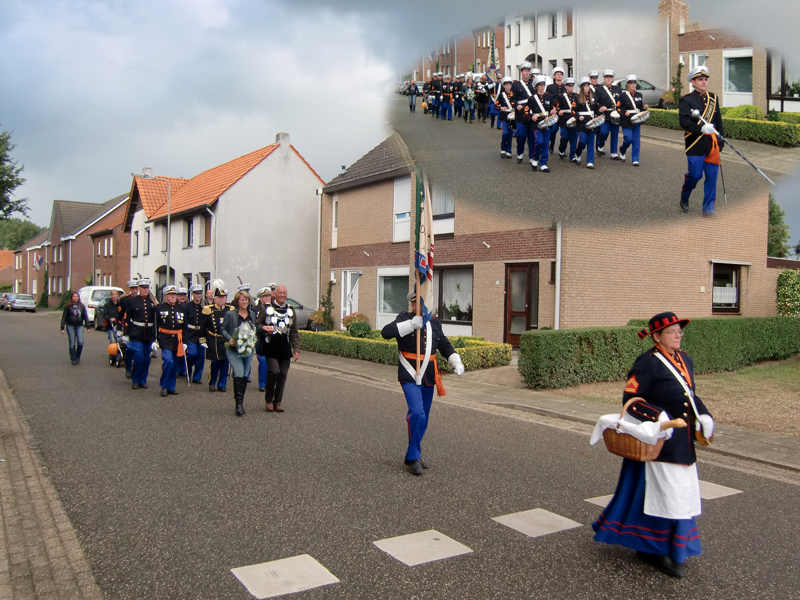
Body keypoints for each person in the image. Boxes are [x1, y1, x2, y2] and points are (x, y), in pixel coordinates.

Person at [592, 312, 714, 579]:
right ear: (657, 337)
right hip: (660, 441)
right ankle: (657, 549)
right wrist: (658, 416)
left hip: (683, 442)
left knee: (680, 494)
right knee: (667, 495)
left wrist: (704, 414)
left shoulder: (686, 360)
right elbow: (631, 399)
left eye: (680, 331)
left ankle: (663, 546)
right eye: (672, 332)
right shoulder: (647, 363)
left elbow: (689, 395)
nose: (679, 335)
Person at [381, 291, 465, 476]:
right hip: (409, 374)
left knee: (423, 418)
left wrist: (455, 360)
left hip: (428, 376)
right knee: (417, 413)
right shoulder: (404, 318)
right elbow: (385, 333)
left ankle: (413, 454)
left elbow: (443, 344)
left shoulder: (434, 323)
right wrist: (410, 325)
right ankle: (413, 457)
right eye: (413, 303)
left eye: (419, 303)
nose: (415, 307)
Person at [679, 65, 725, 214]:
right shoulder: (686, 100)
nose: (704, 82)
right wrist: (701, 129)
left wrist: (721, 139)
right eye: (700, 80)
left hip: (712, 146)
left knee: (712, 178)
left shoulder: (713, 98)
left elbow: (718, 120)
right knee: (695, 175)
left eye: (705, 79)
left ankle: (708, 208)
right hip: (695, 144)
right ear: (693, 82)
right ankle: (685, 196)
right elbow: (684, 122)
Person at [256, 285, 300, 413]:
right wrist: (264, 328)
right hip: (270, 346)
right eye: (280, 293)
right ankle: (269, 399)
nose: (282, 295)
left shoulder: (291, 310)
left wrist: (296, 349)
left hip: (284, 347)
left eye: (284, 293)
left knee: (283, 374)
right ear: (275, 295)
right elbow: (258, 324)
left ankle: (277, 402)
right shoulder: (266, 308)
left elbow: (294, 331)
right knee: (274, 371)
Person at [222, 290, 258, 416]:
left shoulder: (252, 314)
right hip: (233, 349)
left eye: (246, 299)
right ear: (237, 301)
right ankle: (238, 404)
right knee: (238, 372)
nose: (244, 302)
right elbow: (222, 329)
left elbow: (254, 329)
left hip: (247, 349)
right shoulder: (230, 314)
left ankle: (241, 401)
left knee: (244, 375)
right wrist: (230, 339)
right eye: (242, 300)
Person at [153, 284, 186, 397]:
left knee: (175, 364)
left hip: (178, 339)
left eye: (174, 295)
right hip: (165, 338)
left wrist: (185, 341)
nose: (173, 297)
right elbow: (155, 325)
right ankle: (164, 385)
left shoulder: (182, 308)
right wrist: (155, 340)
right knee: (168, 361)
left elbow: (184, 326)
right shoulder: (159, 308)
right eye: (170, 295)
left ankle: (172, 386)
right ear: (165, 297)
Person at [200, 281, 233, 393]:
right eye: (219, 297)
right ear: (215, 298)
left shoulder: (230, 309)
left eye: (223, 297)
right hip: (213, 338)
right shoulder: (208, 309)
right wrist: (202, 339)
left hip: (225, 339)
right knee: (215, 362)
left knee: (225, 362)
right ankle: (212, 382)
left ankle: (222, 384)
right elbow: (202, 326)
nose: (221, 299)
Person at [125, 279, 156, 389]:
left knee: (146, 359)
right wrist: (125, 333)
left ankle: (143, 379)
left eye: (146, 288)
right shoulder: (132, 301)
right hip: (136, 333)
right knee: (138, 356)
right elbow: (127, 317)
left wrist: (155, 337)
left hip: (148, 334)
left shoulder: (151, 302)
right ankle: (135, 378)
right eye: (143, 288)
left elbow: (155, 320)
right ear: (138, 289)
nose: (145, 290)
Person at [618, 74, 648, 166]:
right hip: (626, 120)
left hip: (636, 120)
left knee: (636, 141)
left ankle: (635, 159)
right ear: (627, 84)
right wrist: (624, 112)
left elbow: (640, 107)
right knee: (628, 139)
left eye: (634, 83)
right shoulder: (622, 95)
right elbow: (618, 107)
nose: (633, 85)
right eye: (631, 83)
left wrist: (644, 107)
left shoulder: (639, 95)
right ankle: (622, 150)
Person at [528, 75, 556, 172]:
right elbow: (526, 111)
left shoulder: (549, 96)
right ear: (536, 87)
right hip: (536, 124)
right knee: (539, 142)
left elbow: (552, 108)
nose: (542, 87)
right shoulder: (532, 99)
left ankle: (543, 163)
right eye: (540, 85)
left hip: (546, 122)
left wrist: (553, 111)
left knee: (545, 144)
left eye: (543, 85)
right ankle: (535, 158)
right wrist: (532, 116)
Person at [511, 62, 537, 165]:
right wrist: (516, 105)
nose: (526, 73)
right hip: (521, 115)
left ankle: (532, 156)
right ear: (521, 72)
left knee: (532, 137)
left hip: (531, 115)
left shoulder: (534, 84)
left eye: (528, 71)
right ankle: (520, 153)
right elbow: (512, 99)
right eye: (525, 71)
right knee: (521, 135)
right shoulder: (516, 85)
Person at [182, 284, 206, 384]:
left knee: (201, 356)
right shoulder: (187, 306)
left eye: (199, 293)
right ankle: (187, 367)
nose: (198, 295)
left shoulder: (204, 307)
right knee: (192, 353)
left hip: (201, 334)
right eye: (196, 293)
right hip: (190, 333)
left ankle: (197, 377)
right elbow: (184, 322)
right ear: (192, 294)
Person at [573, 77, 599, 169]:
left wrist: (601, 111)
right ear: (581, 88)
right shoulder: (577, 98)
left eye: (588, 85)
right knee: (582, 141)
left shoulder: (594, 97)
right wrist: (578, 116)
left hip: (591, 122)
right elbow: (573, 111)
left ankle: (590, 162)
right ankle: (578, 153)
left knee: (591, 143)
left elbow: (596, 109)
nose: (587, 87)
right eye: (585, 86)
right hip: (581, 123)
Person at [595, 70, 622, 159]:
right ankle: (600, 145)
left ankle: (614, 153)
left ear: (612, 79)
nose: (608, 79)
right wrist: (601, 107)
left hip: (615, 115)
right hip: (605, 115)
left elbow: (621, 102)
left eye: (610, 77)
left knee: (614, 134)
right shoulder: (599, 90)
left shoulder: (618, 89)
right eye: (607, 77)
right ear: (604, 79)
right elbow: (596, 102)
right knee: (604, 132)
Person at [60, 291, 91, 365]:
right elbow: (64, 317)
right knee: (72, 343)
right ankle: (73, 358)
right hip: (70, 325)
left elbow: (85, 317)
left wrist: (88, 326)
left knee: (80, 342)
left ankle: (77, 356)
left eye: (77, 296)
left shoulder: (82, 306)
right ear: (71, 298)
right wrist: (62, 327)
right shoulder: (68, 306)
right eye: (74, 296)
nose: (75, 298)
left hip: (79, 325)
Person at [254, 286, 273, 392]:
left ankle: (270, 383)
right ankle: (262, 383)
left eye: (268, 296)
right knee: (263, 361)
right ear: (260, 299)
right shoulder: (256, 310)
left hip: (272, 340)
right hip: (261, 340)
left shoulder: (273, 308)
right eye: (265, 296)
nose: (267, 298)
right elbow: (255, 326)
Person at [555, 77, 578, 162]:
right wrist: (559, 111)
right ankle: (561, 149)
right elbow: (557, 107)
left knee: (573, 138)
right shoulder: (561, 97)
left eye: (572, 86)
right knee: (564, 137)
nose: (571, 87)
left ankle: (572, 155)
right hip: (564, 119)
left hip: (574, 119)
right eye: (569, 86)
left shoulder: (577, 96)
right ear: (565, 86)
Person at [119, 279, 138, 377]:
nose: (135, 290)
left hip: (138, 329)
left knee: (138, 352)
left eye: (136, 288)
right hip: (128, 327)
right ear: (130, 289)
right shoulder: (125, 300)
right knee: (129, 349)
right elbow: (120, 314)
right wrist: (119, 328)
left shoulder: (141, 300)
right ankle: (128, 368)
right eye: (133, 289)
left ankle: (135, 369)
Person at [495, 76, 515, 158]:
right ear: (503, 86)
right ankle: (503, 148)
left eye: (509, 85)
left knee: (510, 134)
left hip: (512, 117)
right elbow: (495, 105)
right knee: (505, 133)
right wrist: (501, 108)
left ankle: (508, 151)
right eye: (506, 85)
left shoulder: (514, 95)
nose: (508, 86)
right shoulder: (501, 95)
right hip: (504, 116)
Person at [546, 67, 565, 154]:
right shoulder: (550, 87)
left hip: (564, 112)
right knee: (553, 130)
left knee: (564, 132)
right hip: (554, 111)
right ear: (554, 76)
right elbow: (547, 99)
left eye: (560, 74)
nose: (559, 76)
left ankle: (562, 148)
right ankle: (551, 145)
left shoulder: (565, 87)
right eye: (557, 74)